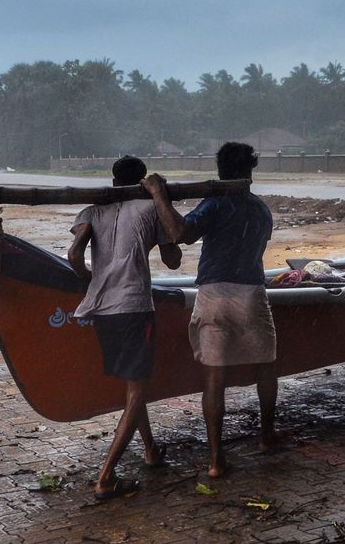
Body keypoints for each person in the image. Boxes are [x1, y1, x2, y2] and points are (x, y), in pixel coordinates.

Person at [141, 142, 277, 478]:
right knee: (265, 368)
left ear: (219, 170)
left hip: (214, 294)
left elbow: (179, 232)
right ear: (250, 170)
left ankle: (216, 460)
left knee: (214, 378)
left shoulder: (215, 203)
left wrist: (158, 194)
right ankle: (266, 437)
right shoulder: (261, 210)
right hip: (251, 293)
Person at [67, 155, 182, 500]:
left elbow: (74, 255)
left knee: (133, 386)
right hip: (133, 306)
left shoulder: (92, 211)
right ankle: (106, 477)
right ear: (142, 181)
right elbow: (173, 259)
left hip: (102, 308)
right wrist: (161, 202)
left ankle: (150, 450)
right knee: (137, 391)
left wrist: (91, 279)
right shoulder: (149, 208)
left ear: (114, 181)